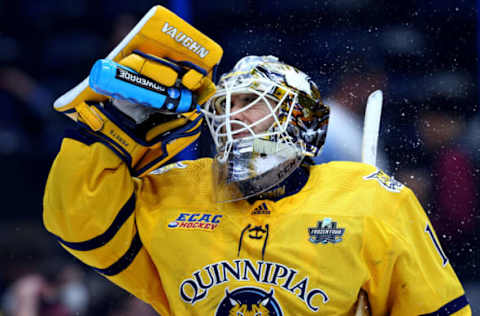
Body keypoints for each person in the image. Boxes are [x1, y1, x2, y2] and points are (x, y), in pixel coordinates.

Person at [43, 10, 470, 316]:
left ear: (298, 117)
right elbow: (78, 223)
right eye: (225, 105)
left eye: (250, 103)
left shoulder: (372, 199)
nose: (232, 115)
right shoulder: (175, 190)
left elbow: (438, 308)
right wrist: (112, 133)